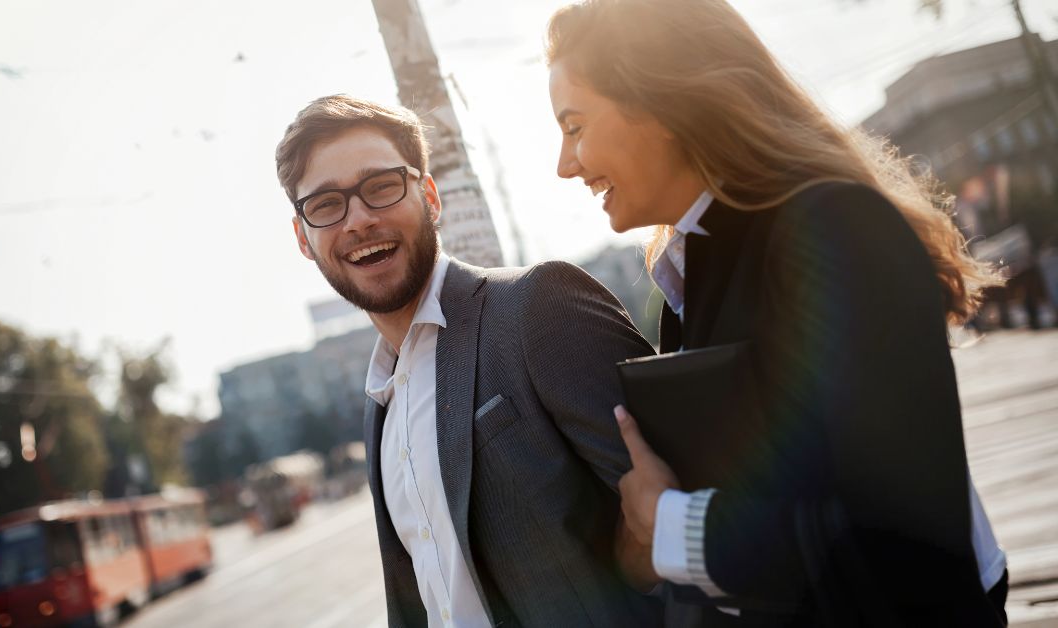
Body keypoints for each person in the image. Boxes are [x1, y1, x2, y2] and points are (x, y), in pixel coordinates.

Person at [544, 0, 1009, 626]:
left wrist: (672, 530)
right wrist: (642, 546)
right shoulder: (695, 272)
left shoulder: (835, 229)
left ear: (661, 105)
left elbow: (899, 527)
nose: (564, 164)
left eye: (575, 127)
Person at [275, 94, 664, 627]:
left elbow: (691, 516)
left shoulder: (536, 307)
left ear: (430, 196)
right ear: (304, 238)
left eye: (382, 187)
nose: (359, 220)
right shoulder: (379, 409)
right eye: (324, 205)